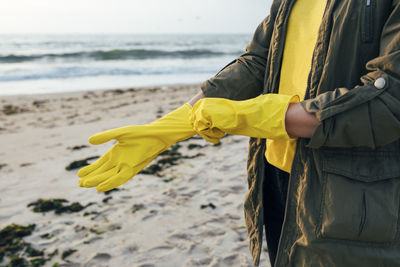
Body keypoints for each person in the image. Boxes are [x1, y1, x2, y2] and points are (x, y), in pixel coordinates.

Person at [78, 0, 400, 266]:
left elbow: (390, 100)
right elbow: (257, 63)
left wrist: (258, 115)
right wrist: (173, 125)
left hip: (353, 191)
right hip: (275, 178)